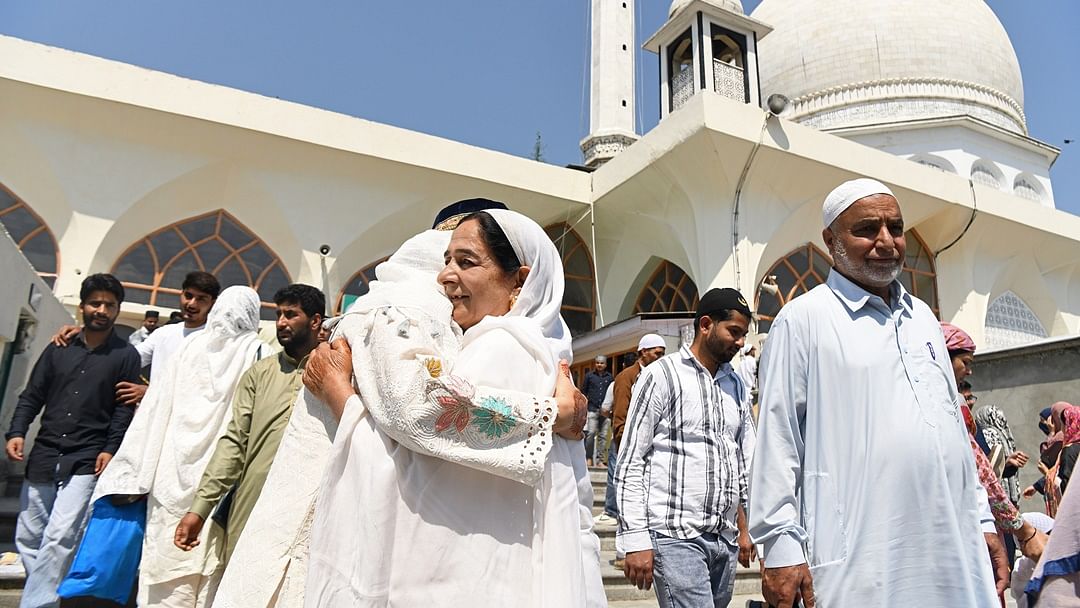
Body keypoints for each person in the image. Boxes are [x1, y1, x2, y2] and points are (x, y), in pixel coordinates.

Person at [301, 209, 598, 607]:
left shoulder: (504, 348)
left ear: (520, 280)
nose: (445, 276)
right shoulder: (543, 352)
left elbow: (412, 480)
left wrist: (340, 396)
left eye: (467, 261)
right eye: (446, 261)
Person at [749, 178, 1003, 607]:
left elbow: (953, 434)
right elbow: (777, 440)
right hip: (863, 557)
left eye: (896, 228)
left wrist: (983, 518)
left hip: (953, 548)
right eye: (867, 229)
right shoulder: (804, 319)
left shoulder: (922, 317)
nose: (886, 241)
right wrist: (779, 549)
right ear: (831, 240)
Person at [85, 286, 264, 607]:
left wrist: (134, 470)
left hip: (169, 475)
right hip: (219, 484)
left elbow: (154, 410)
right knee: (209, 567)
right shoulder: (256, 354)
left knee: (165, 562)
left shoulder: (188, 348)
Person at [5, 274, 142, 608]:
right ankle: (42, 594)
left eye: (110, 305)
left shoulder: (126, 356)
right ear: (82, 307)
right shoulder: (58, 348)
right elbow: (33, 394)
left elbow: (122, 410)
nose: (102, 310)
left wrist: (110, 448)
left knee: (60, 536)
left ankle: (37, 604)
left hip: (86, 456)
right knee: (29, 536)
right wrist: (17, 431)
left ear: (117, 310)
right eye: (95, 303)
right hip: (45, 452)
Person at [616, 289, 756, 608]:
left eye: (743, 335)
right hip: (675, 535)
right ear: (705, 324)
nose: (740, 343)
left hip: (724, 538)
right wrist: (635, 539)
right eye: (733, 332)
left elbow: (743, 461)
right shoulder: (662, 376)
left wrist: (745, 528)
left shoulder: (736, 385)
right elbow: (630, 462)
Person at [172, 285, 325, 567]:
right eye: (278, 314)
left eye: (291, 315)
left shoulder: (336, 371)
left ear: (315, 321)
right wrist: (201, 508)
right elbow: (235, 442)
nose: (281, 323)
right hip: (253, 499)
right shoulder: (260, 373)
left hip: (313, 503)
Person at [941, 321, 1047, 571]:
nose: (968, 372)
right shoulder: (946, 407)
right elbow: (981, 471)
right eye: (964, 363)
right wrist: (1023, 530)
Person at [53, 271, 220, 407]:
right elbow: (126, 359)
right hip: (154, 416)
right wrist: (86, 333)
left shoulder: (215, 339)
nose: (191, 304)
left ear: (213, 303)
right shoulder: (164, 334)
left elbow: (204, 388)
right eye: (188, 295)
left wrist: (149, 391)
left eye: (201, 299)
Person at [595, 335, 666, 532]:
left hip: (651, 445)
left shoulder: (659, 376)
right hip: (626, 443)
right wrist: (623, 442)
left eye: (663, 354)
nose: (661, 357)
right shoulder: (626, 377)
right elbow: (620, 414)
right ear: (644, 352)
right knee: (622, 486)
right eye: (657, 353)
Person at [582, 355, 614, 466]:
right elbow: (583, 392)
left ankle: (600, 460)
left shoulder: (610, 378)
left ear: (605, 364)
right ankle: (588, 458)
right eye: (597, 363)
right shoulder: (589, 376)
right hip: (592, 408)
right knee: (590, 434)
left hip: (605, 411)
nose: (599, 365)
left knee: (603, 435)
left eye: (601, 363)